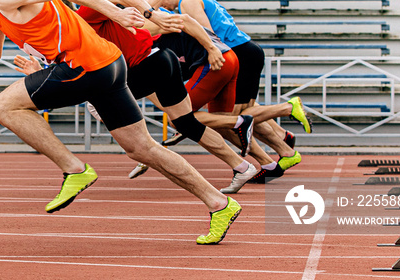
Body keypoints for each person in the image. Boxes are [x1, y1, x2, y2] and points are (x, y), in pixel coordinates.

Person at [0, 0, 240, 244]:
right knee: (142, 148)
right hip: (108, 64)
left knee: (3, 106)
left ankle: (74, 169)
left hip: (84, 65)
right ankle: (218, 202)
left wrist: (123, 13)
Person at [15, 3, 259, 193]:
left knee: (98, 103)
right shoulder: (65, 30)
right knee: (185, 122)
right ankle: (242, 166)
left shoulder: (85, 13)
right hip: (161, 60)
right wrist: (39, 71)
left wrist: (149, 13)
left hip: (145, 66)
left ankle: (146, 148)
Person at [156, 0, 312, 183]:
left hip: (235, 53)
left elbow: (208, 34)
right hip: (242, 50)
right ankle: (284, 145)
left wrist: (212, 51)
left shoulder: (188, 2)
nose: (164, 6)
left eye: (163, 2)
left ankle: (286, 109)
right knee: (228, 116)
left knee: (233, 118)